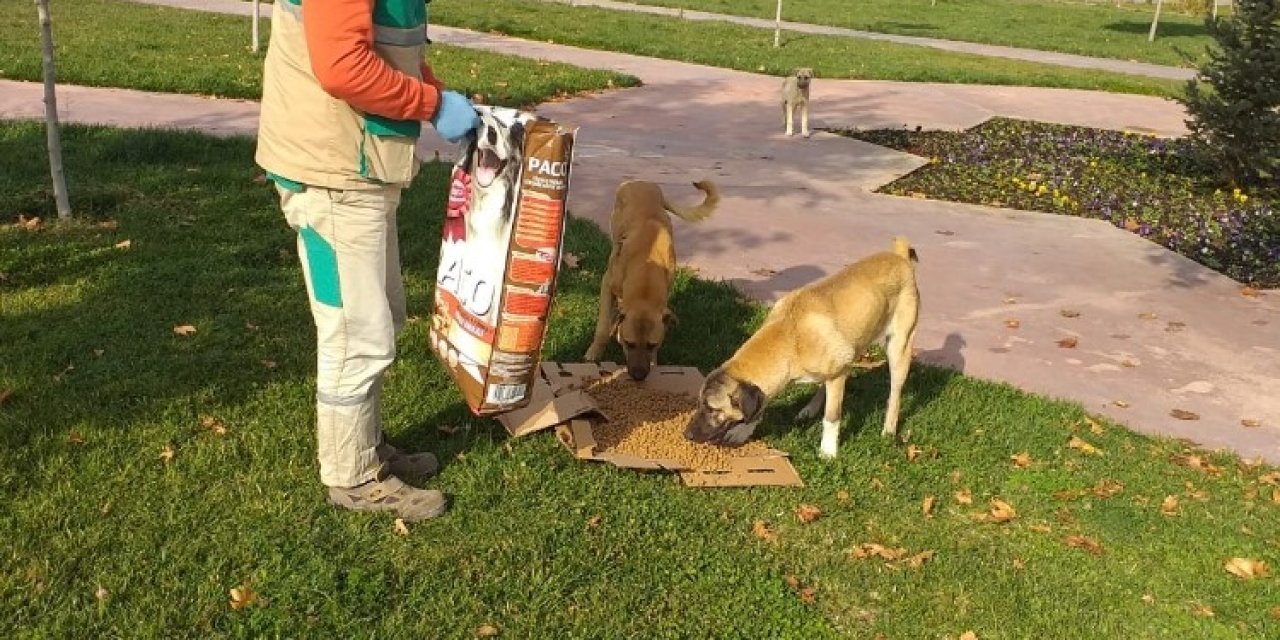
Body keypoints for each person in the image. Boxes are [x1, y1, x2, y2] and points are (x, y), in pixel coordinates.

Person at [255, 0, 480, 521]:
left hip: (357, 167)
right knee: (355, 333)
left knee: (381, 316)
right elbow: (343, 67)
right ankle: (352, 476)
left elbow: (389, 50)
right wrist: (430, 104)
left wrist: (438, 92)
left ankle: (366, 445)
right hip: (332, 172)